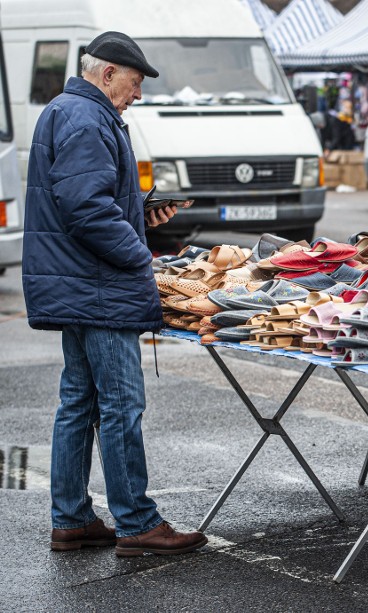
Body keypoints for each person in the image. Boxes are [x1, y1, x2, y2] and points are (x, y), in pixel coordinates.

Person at [22, 31, 207, 556]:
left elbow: (84, 200)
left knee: (78, 402)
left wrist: (143, 212)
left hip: (78, 283)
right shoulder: (86, 117)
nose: (138, 95)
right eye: (133, 83)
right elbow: (88, 210)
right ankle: (137, 523)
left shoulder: (67, 110)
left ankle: (72, 518)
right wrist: (140, 256)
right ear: (106, 75)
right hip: (98, 287)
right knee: (121, 404)